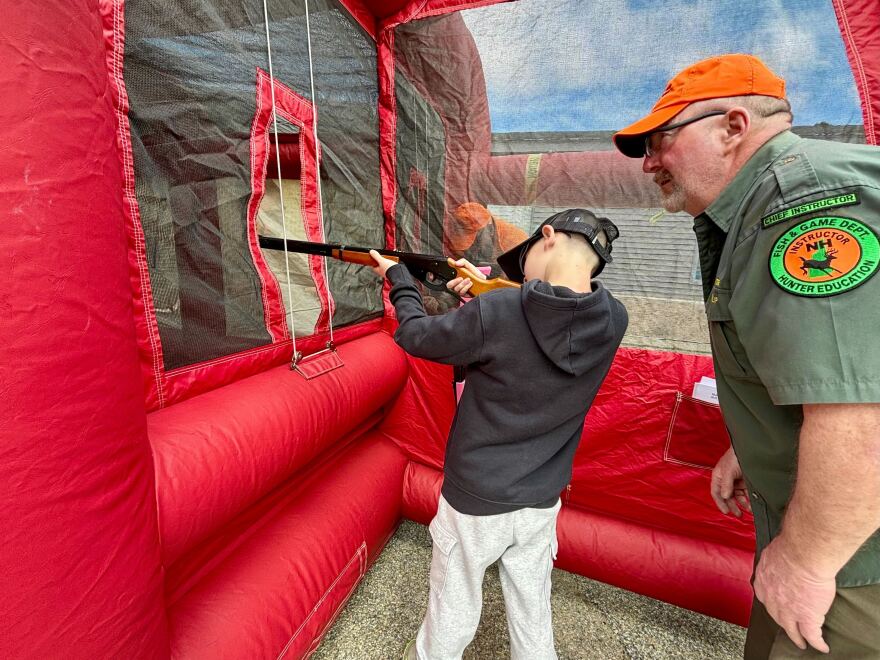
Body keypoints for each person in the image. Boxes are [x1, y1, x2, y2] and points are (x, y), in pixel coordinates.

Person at [613, 53, 880, 659]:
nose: (650, 161)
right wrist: (754, 443)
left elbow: (862, 417)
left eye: (660, 139)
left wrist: (809, 563)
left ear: (733, 127)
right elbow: (819, 369)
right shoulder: (758, 204)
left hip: (855, 560)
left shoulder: (806, 200)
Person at [368, 209, 628, 660]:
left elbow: (414, 335)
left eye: (522, 261)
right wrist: (481, 293)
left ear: (547, 236)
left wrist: (400, 280)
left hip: (476, 497)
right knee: (532, 609)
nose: (520, 274)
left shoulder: (500, 311)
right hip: (542, 500)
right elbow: (544, 311)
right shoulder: (613, 319)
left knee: (453, 604)